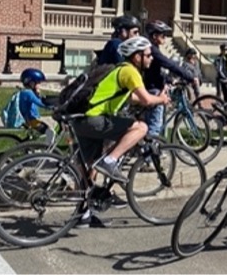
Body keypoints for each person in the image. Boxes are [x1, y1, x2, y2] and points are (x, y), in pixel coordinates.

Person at [72, 36, 171, 227]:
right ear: (137, 56)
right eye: (148, 55)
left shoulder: (119, 70)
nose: (151, 59)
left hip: (83, 119)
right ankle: (111, 160)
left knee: (89, 167)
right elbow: (146, 101)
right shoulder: (130, 72)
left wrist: (152, 98)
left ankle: (82, 215)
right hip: (94, 120)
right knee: (141, 127)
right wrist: (161, 100)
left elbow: (130, 97)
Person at [142, 20, 196, 137]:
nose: (165, 37)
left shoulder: (153, 49)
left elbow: (156, 71)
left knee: (151, 124)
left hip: (154, 87)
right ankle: (150, 153)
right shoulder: (152, 50)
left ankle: (153, 149)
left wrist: (168, 80)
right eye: (163, 35)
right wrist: (189, 76)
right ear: (154, 36)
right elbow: (169, 64)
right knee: (154, 127)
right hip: (154, 91)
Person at [17, 68, 55, 146]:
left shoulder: (24, 91)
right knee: (50, 132)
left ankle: (28, 147)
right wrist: (52, 107)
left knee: (36, 136)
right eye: (38, 83)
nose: (39, 85)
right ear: (31, 82)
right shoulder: (28, 93)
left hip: (28, 120)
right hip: (31, 121)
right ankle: (47, 150)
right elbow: (40, 103)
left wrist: (37, 94)